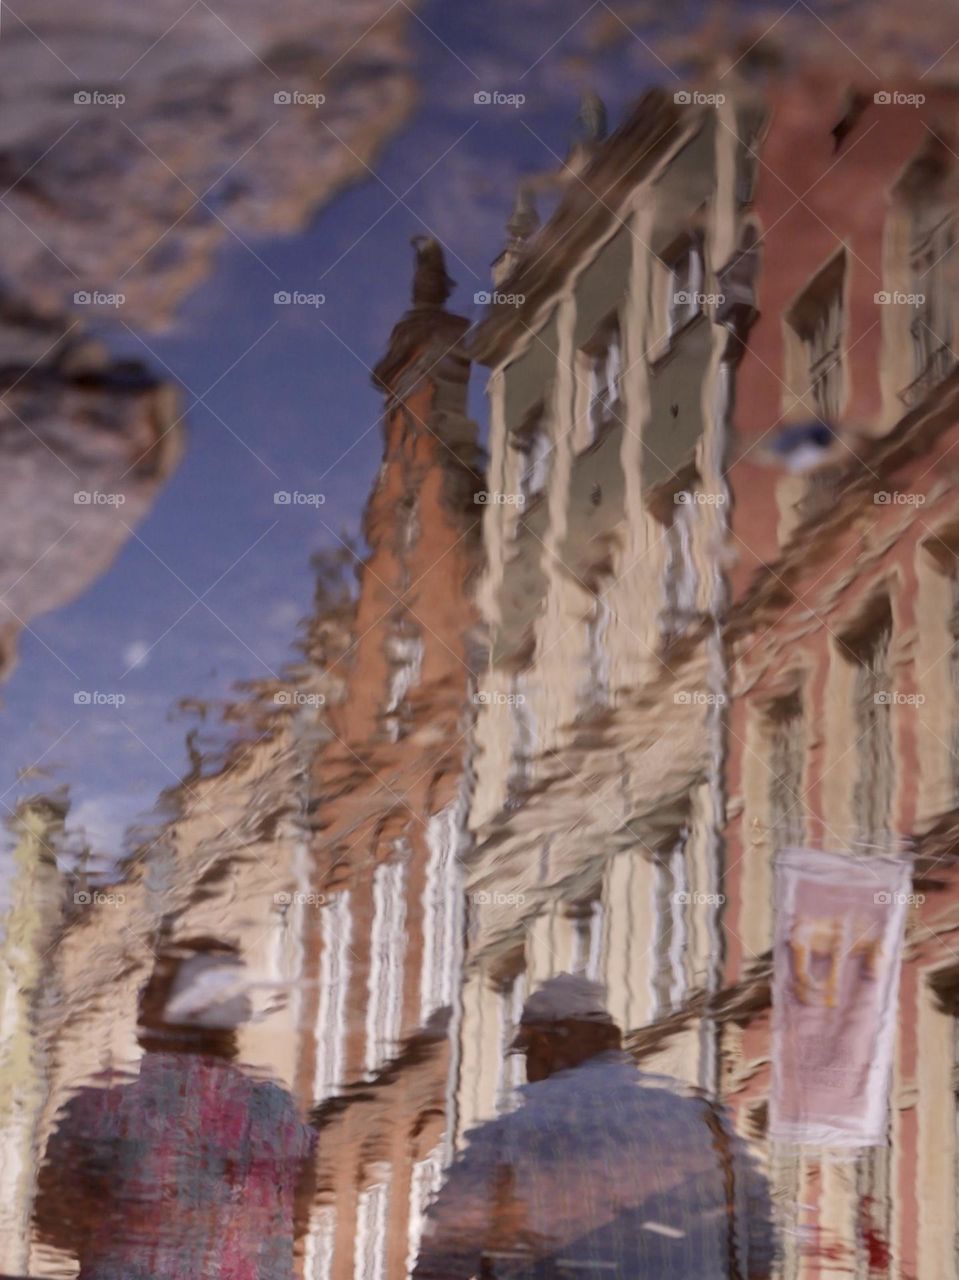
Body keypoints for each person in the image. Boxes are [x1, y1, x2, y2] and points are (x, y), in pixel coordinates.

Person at [414, 973, 774, 1279]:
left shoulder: (508, 1139)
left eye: (527, 1053)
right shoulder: (703, 1124)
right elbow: (756, 1244)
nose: (529, 1068)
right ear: (614, 1043)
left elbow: (441, 1262)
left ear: (544, 1045)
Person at [34, 936, 316, 1280]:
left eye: (147, 994)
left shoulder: (102, 1111)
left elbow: (52, 1224)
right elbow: (295, 1225)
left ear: (153, 1011)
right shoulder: (279, 1116)